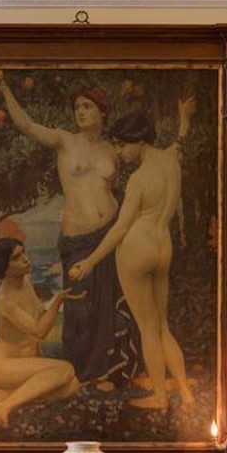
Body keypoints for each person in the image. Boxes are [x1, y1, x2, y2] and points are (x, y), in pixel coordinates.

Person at [0, 74, 139, 388]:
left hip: (109, 234)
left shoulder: (112, 151)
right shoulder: (64, 140)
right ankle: (80, 373)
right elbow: (27, 125)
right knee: (80, 307)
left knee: (106, 304)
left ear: (101, 111)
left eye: (87, 106)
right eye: (77, 107)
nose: (80, 112)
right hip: (78, 239)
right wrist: (5, 89)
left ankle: (109, 373)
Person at [67, 99, 196, 411]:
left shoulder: (139, 179)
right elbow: (180, 141)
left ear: (139, 141)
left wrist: (90, 261)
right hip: (163, 247)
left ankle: (160, 397)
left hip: (137, 248)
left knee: (148, 327)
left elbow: (120, 229)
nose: (120, 152)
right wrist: (183, 118)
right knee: (163, 325)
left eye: (122, 144)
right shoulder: (171, 160)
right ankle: (185, 392)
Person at [0, 238, 83, 428]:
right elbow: (40, 331)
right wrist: (58, 302)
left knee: (72, 385)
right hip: (0, 365)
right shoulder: (4, 300)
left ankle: (0, 395)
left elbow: (38, 313)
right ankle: (3, 407)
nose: (25, 259)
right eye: (16, 257)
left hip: (22, 362)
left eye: (23, 252)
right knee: (65, 370)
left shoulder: (25, 281)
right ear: (4, 268)